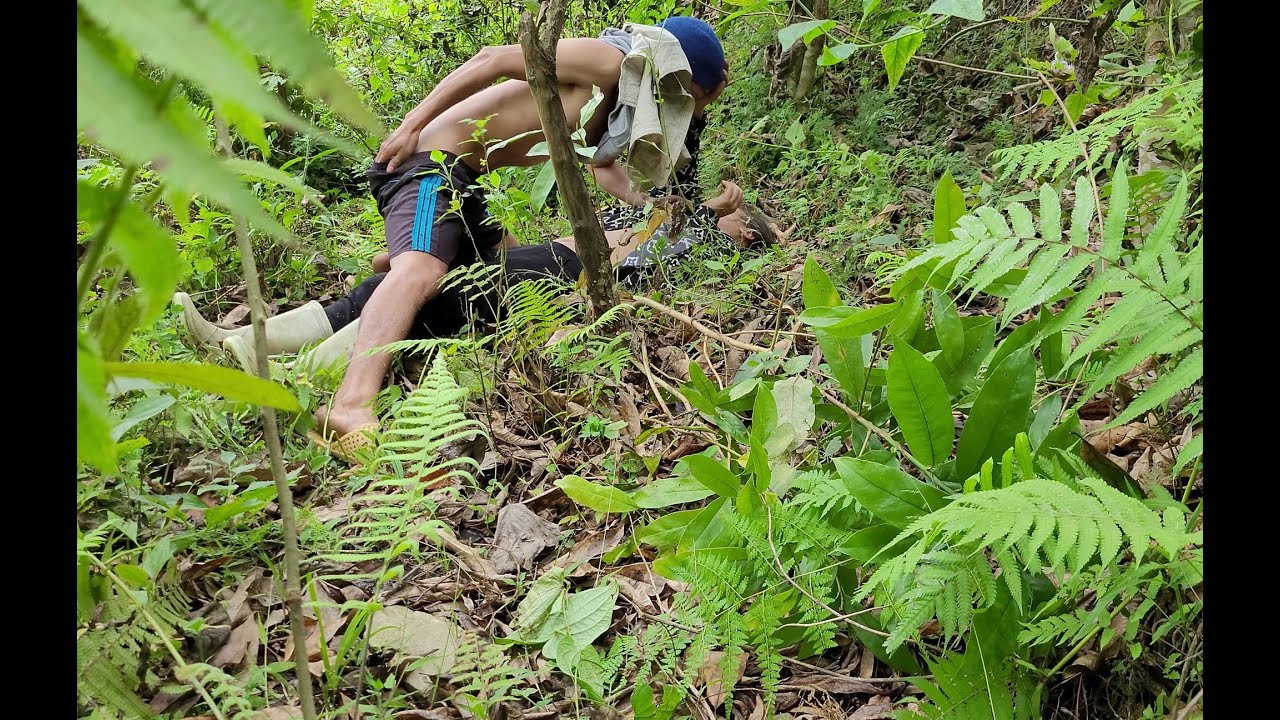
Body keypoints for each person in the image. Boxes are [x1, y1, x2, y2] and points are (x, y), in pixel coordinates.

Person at [316, 16, 729, 450]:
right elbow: (491, 59)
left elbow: (601, 165)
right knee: (421, 271)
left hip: (469, 182)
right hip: (430, 163)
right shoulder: (610, 60)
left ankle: (410, 263)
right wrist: (410, 126)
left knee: (504, 271)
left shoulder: (624, 99)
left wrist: (651, 206)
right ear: (675, 68)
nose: (692, 108)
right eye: (696, 96)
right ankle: (350, 404)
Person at [174, 185, 779, 460]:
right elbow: (661, 212)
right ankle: (243, 341)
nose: (722, 219)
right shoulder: (687, 229)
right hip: (550, 254)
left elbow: (644, 255)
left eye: (738, 220)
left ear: (745, 235)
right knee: (389, 288)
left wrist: (718, 217)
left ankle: (294, 376)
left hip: (563, 274)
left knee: (432, 304)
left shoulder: (709, 246)